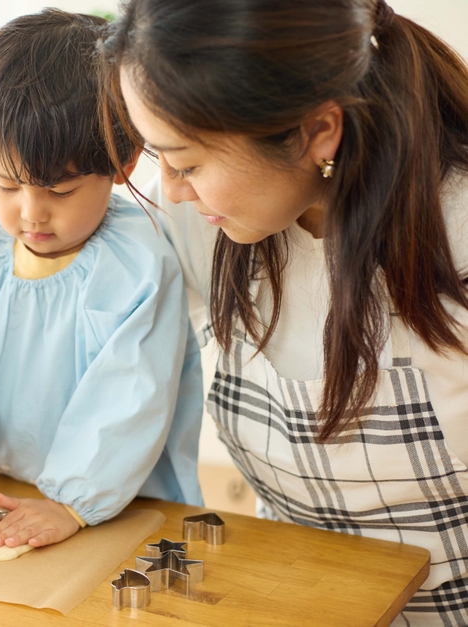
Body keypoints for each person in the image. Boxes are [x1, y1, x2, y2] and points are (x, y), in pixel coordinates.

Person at [103, 0, 468, 623]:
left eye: (188, 162)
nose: (170, 188)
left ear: (318, 130)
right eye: (156, 153)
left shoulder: (455, 238)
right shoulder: (206, 223)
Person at [0, 9, 204, 550]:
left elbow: (128, 398)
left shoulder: (138, 266)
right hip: (6, 489)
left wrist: (70, 503)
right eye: (7, 185)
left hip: (114, 504)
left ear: (120, 161)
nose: (31, 214)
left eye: (60, 191)